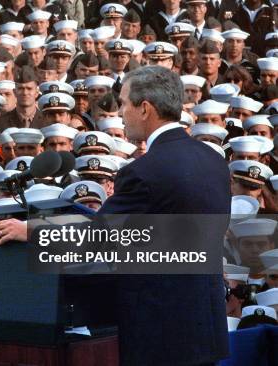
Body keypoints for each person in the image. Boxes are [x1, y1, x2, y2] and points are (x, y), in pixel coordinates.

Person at [97, 66, 230, 364]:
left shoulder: (142, 172)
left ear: (144, 108)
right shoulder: (213, 161)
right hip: (206, 328)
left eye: (123, 103)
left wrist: (27, 231)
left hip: (160, 337)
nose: (120, 114)